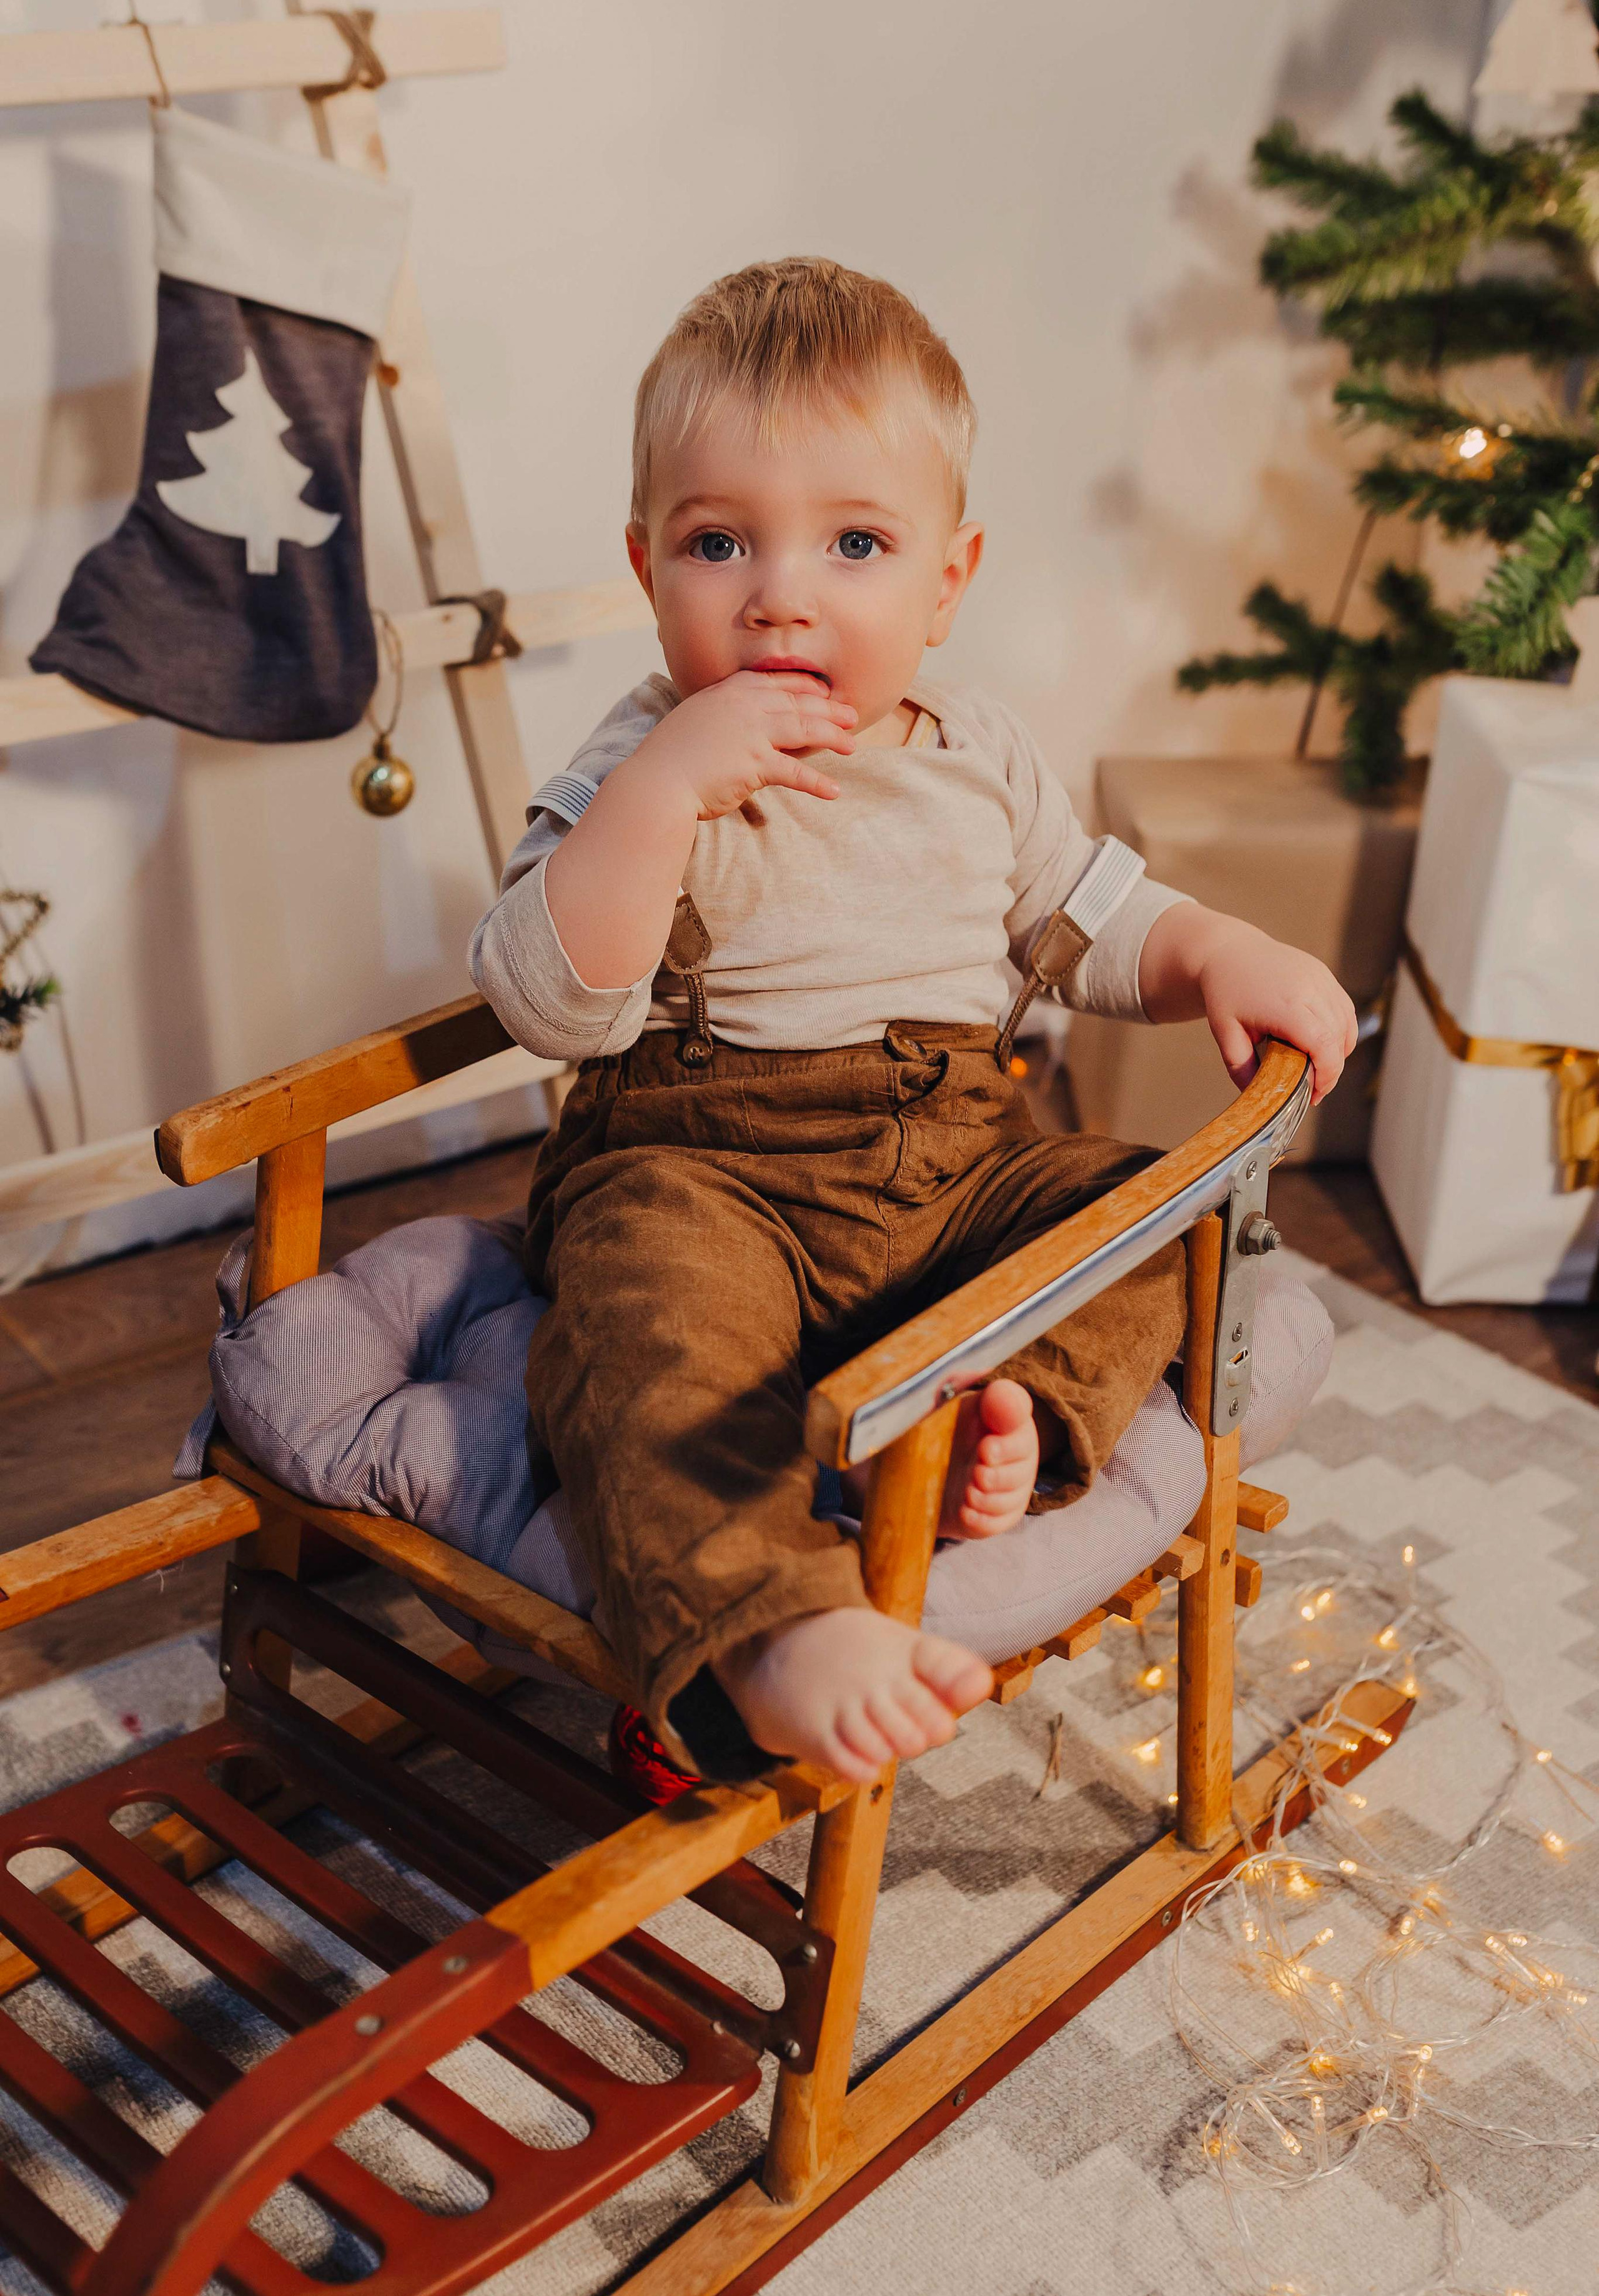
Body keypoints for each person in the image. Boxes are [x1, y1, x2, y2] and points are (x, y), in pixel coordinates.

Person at [471, 258, 1355, 1789]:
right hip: (702, 1172)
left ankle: (1008, 1414)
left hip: (950, 1167)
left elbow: (1084, 917)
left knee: (1135, 1198)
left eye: (855, 543)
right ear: (646, 568)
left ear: (946, 581)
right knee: (636, 1327)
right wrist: (667, 793)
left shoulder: (973, 755)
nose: (781, 594)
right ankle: (770, 1634)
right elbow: (546, 999)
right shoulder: (639, 764)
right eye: (719, 541)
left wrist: (1215, 949)